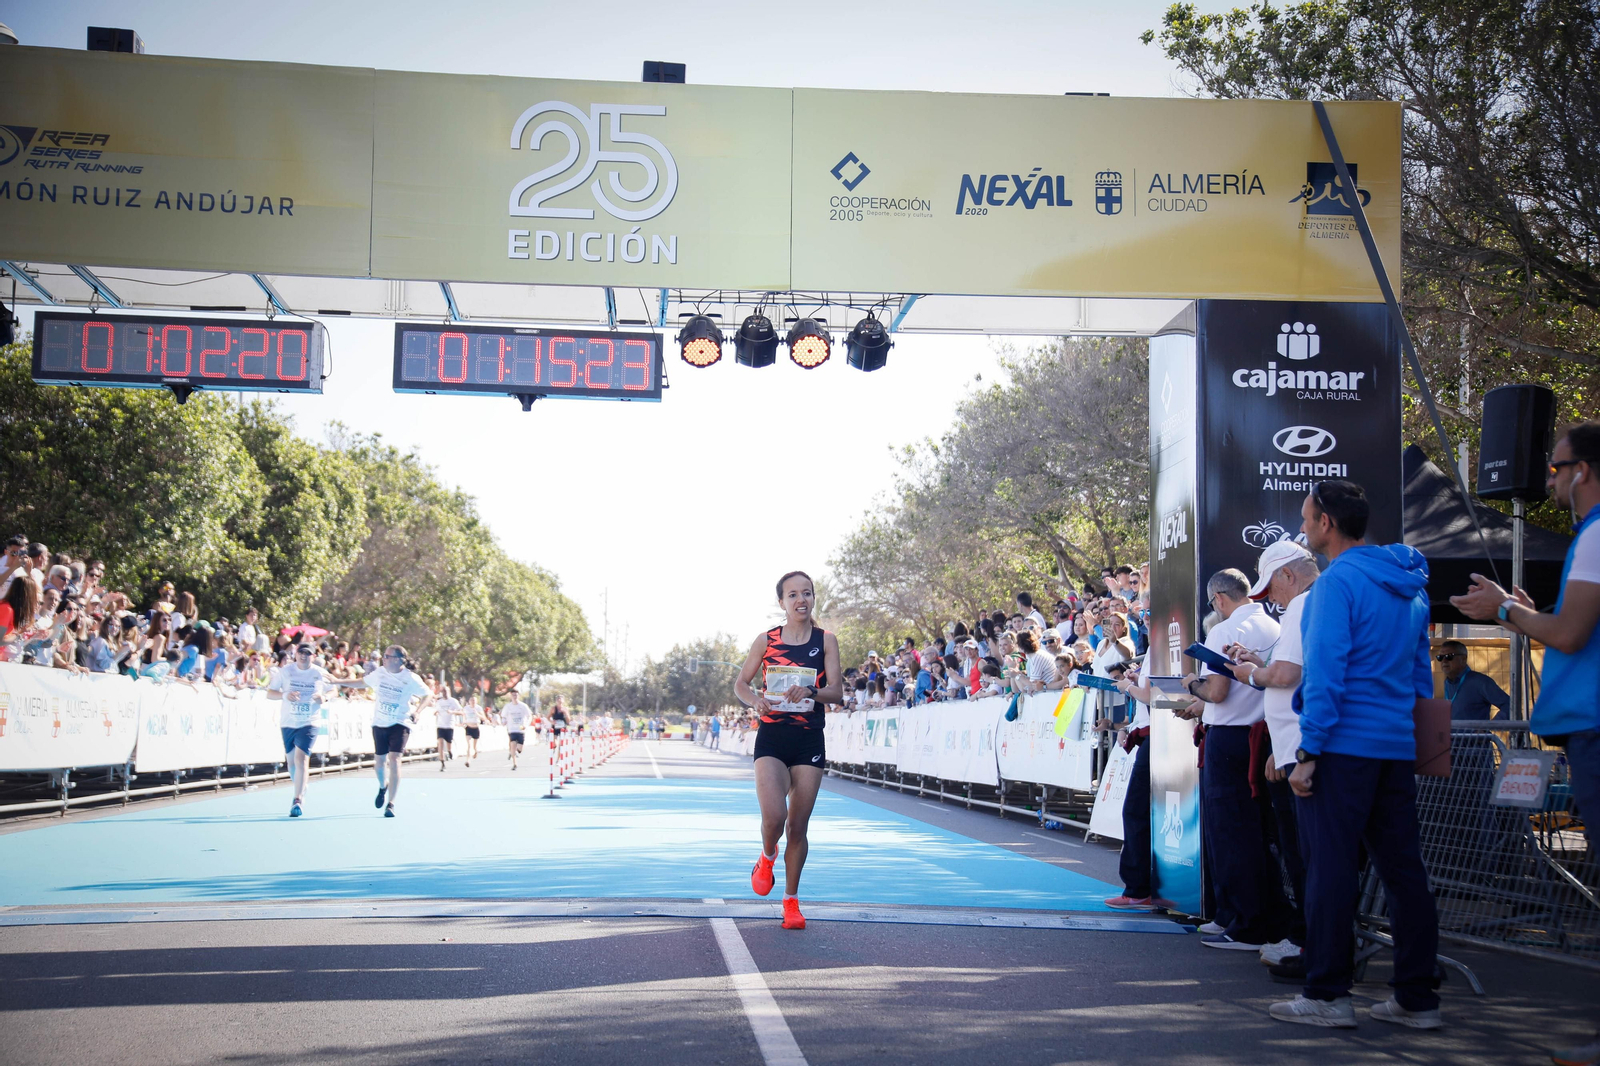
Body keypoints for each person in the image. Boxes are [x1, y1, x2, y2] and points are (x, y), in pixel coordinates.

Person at [1450, 421, 1600, 1065]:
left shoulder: (1595, 536)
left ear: (1585, 471)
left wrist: (1507, 612)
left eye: (1558, 467)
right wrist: (1523, 609)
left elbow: (1566, 635)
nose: (1550, 480)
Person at [1270, 480, 1441, 1031]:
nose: (1301, 529)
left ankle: (1328, 995)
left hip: (1342, 748)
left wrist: (1308, 749)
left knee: (1331, 872)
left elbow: (1326, 674)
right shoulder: (1411, 588)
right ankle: (1417, 999)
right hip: (1393, 747)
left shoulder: (1335, 586)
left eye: (1305, 519)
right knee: (1403, 873)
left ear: (1325, 522)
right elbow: (1419, 675)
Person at [1181, 569, 1289, 951]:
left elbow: (1219, 691)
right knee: (1252, 832)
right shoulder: (1275, 626)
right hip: (1261, 736)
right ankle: (1234, 914)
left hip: (1231, 739)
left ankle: (1246, 924)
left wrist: (1193, 684)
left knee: (1232, 833)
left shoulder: (1224, 630)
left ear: (1218, 600)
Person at [1230, 539, 1321, 971]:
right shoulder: (1313, 604)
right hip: (1300, 747)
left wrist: (1253, 672)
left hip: (1308, 750)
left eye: (1272, 589)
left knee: (1305, 853)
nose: (1272, 600)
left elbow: (1287, 675)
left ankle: (1311, 944)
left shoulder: (1305, 605)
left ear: (1288, 575)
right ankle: (1311, 941)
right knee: (1304, 853)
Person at [735, 570, 844, 931]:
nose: (801, 600)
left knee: (798, 825)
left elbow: (837, 693)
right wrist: (755, 701)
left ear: (814, 598)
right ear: (781, 602)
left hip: (809, 739)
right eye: (793, 594)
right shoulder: (766, 640)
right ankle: (767, 857)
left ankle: (791, 902)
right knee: (774, 818)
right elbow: (741, 683)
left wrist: (811, 692)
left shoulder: (826, 640)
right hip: (772, 737)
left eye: (807, 593)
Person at [265, 643, 354, 817]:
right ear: (295, 654)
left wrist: (325, 698)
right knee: (291, 763)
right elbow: (270, 693)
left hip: (310, 722)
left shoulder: (319, 673)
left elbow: (334, 691)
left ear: (313, 656)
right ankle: (301, 786)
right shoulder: (286, 671)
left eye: (308, 653)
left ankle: (297, 799)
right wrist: (285, 695)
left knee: (301, 759)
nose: (304, 656)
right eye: (301, 653)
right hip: (288, 721)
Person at [364, 644, 433, 817]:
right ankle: (382, 786)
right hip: (380, 722)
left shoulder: (410, 678)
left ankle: (391, 803)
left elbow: (428, 694)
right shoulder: (380, 672)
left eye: (386, 656)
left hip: (400, 722)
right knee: (379, 763)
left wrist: (417, 711)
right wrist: (336, 681)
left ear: (397, 660)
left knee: (394, 759)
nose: (383, 659)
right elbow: (362, 682)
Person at [1432, 640, 1509, 720]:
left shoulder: (1480, 682)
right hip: (1448, 732)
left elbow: (1509, 705)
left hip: (1472, 733)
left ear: (1463, 659)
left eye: (1449, 656)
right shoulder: (1444, 683)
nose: (1444, 661)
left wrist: (1492, 725)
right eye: (1440, 657)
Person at [502, 692, 532, 769]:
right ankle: (514, 763)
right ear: (511, 696)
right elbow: (503, 716)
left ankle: (513, 752)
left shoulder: (523, 706)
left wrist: (526, 725)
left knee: (519, 749)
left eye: (516, 695)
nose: (514, 696)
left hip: (521, 729)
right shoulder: (508, 706)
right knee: (512, 744)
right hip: (512, 729)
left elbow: (529, 716)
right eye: (513, 695)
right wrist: (503, 721)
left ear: (518, 696)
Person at [434, 687, 461, 771]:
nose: (445, 693)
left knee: (449, 743)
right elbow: (437, 710)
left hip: (449, 725)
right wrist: (436, 712)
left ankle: (449, 751)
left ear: (449, 692)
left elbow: (461, 711)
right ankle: (442, 763)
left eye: (446, 691)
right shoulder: (439, 702)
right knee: (440, 743)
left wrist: (452, 712)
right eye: (443, 691)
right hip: (440, 725)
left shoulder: (453, 701)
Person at [460, 694, 483, 766]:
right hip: (468, 727)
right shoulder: (466, 708)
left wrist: (477, 714)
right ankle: (468, 761)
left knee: (474, 746)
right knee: (469, 745)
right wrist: (463, 722)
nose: (473, 702)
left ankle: (476, 751)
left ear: (476, 701)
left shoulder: (479, 708)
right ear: (469, 701)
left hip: (475, 728)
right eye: (471, 700)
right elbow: (464, 716)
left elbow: (483, 717)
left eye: (474, 700)